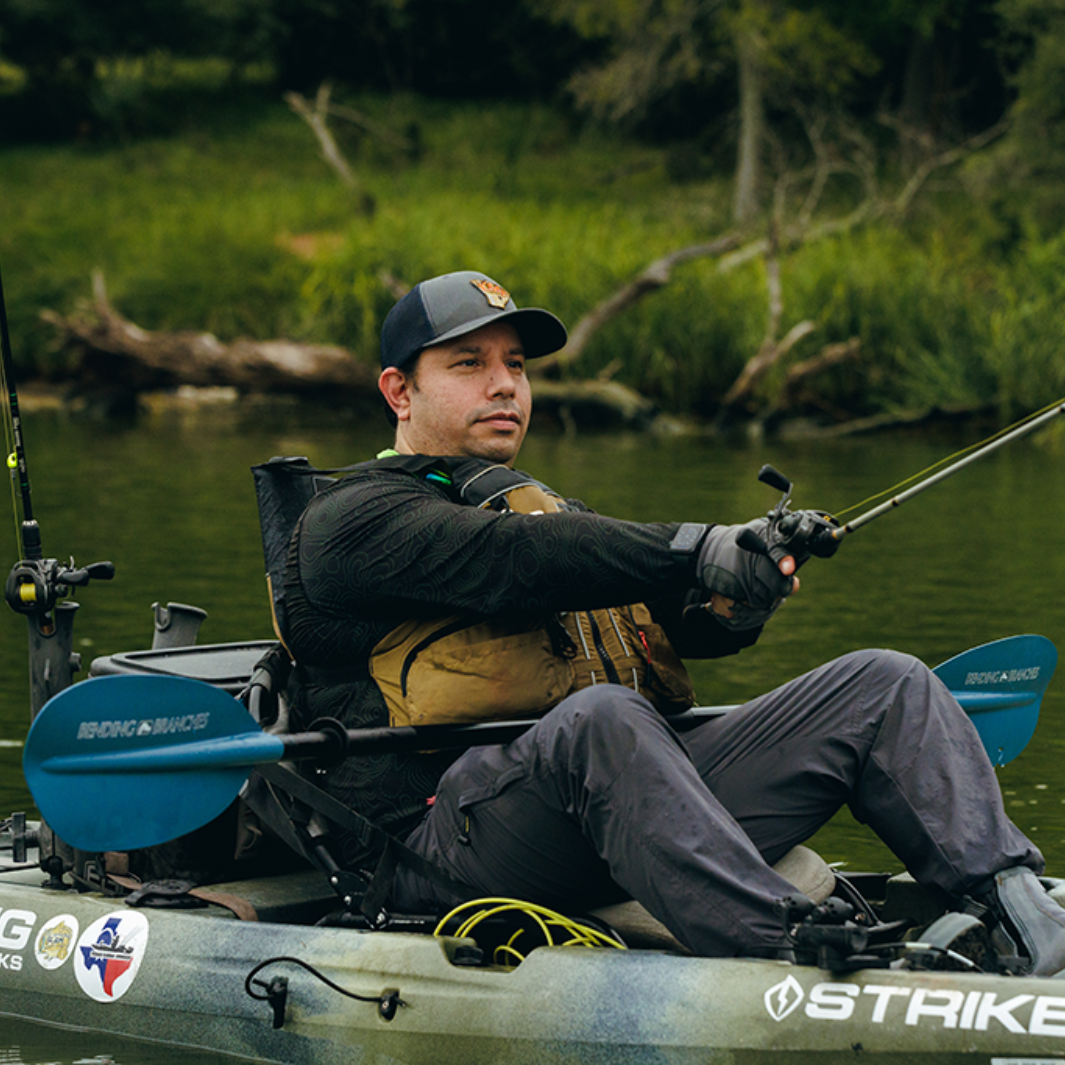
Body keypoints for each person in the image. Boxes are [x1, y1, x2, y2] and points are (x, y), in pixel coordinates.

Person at [281, 269, 1065, 971]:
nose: (504, 385)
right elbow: (517, 558)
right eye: (468, 364)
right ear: (399, 392)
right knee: (604, 717)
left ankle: (1020, 912)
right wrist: (700, 547)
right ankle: (790, 948)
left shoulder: (544, 509)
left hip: (617, 815)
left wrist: (742, 586)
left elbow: (685, 622)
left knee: (884, 682)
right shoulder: (353, 520)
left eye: (515, 365)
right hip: (441, 851)